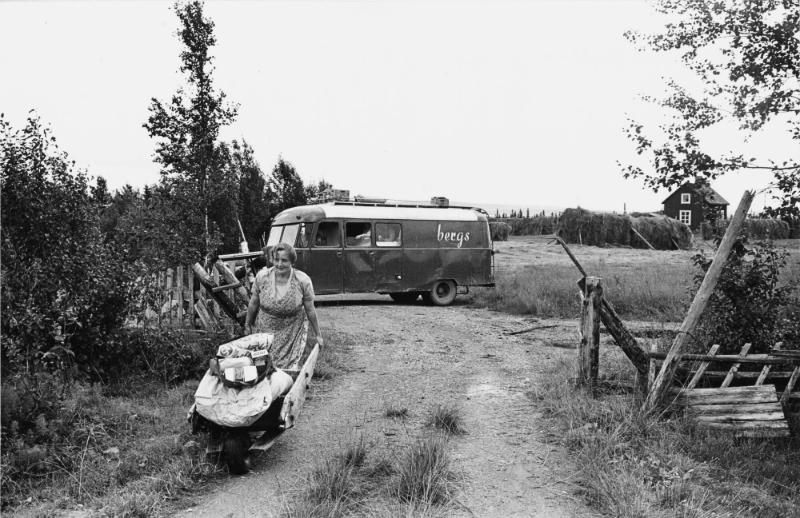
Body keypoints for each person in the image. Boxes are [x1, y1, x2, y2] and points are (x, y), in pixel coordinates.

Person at [245, 243, 323, 369]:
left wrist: (318, 334)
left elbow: (310, 309)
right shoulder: (262, 277)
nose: (279, 264)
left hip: (291, 331)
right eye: (276, 259)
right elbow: (254, 303)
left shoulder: (302, 280)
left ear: (292, 261)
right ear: (272, 260)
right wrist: (247, 324)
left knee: (286, 369)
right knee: (262, 366)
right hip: (265, 329)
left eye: (284, 260)